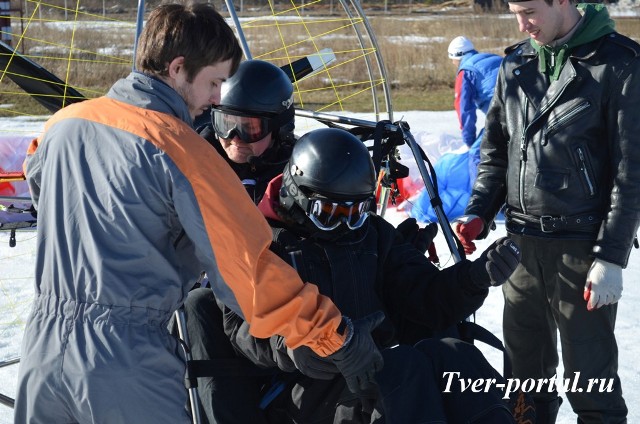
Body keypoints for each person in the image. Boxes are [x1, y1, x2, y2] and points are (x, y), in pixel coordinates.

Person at [14, 4, 383, 423]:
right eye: (214, 83)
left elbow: (41, 186)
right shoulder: (183, 150)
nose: (216, 100)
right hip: (125, 360)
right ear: (177, 69)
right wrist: (335, 337)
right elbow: (251, 273)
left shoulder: (61, 124)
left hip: (42, 350)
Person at [185, 127, 524, 423]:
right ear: (297, 192)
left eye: (356, 212)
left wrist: (475, 277)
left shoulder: (371, 235)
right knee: (404, 368)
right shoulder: (261, 247)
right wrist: (299, 348)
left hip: (375, 372)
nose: (344, 225)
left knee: (455, 357)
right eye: (330, 213)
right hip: (301, 389)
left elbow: (422, 294)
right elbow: (242, 327)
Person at [454, 1, 640, 422]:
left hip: (582, 248)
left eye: (531, 11)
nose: (523, 24)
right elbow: (496, 151)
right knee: (523, 380)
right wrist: (479, 210)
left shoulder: (619, 65)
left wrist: (611, 256)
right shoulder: (516, 63)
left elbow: (631, 173)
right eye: (515, 11)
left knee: (591, 382)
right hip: (520, 247)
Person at [447, 36, 502, 150]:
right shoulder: (496, 59)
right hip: (526, 111)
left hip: (502, 117)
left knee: (479, 155)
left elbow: (464, 108)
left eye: (452, 59)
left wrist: (469, 142)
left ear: (457, 57)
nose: (453, 63)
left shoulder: (466, 71)